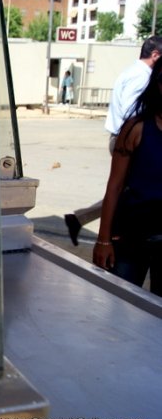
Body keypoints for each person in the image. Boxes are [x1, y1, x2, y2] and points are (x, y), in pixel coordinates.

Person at [64, 36, 162, 245]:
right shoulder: (142, 77)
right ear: (155, 55)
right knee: (129, 190)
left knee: (129, 188)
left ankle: (79, 219)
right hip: (132, 141)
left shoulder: (132, 71)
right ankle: (111, 233)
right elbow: (130, 111)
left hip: (128, 138)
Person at [93, 57, 162, 295]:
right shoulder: (136, 129)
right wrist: (103, 240)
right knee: (117, 306)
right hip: (132, 236)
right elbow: (114, 187)